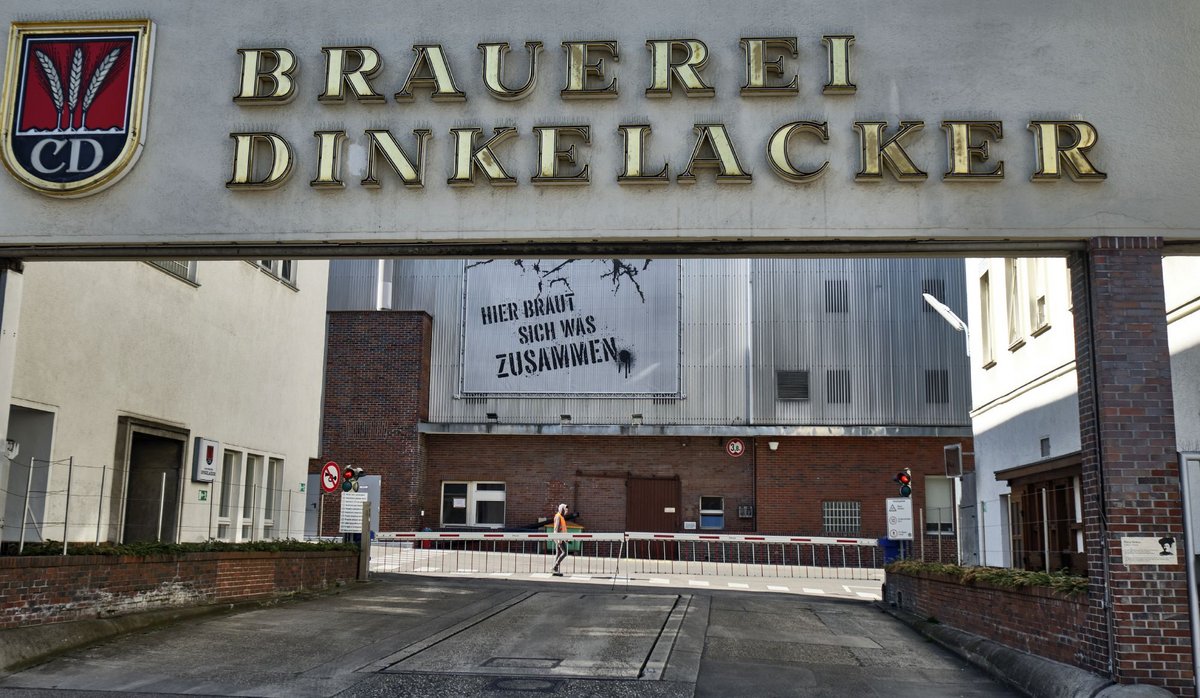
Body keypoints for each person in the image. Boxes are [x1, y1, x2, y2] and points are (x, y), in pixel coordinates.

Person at [551, 503, 569, 576]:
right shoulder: (558, 516)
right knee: (564, 552)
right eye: (564, 509)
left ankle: (555, 570)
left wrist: (565, 538)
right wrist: (558, 539)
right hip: (559, 537)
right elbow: (557, 529)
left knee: (558, 553)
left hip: (560, 537)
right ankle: (555, 567)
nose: (565, 511)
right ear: (561, 509)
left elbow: (562, 529)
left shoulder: (561, 516)